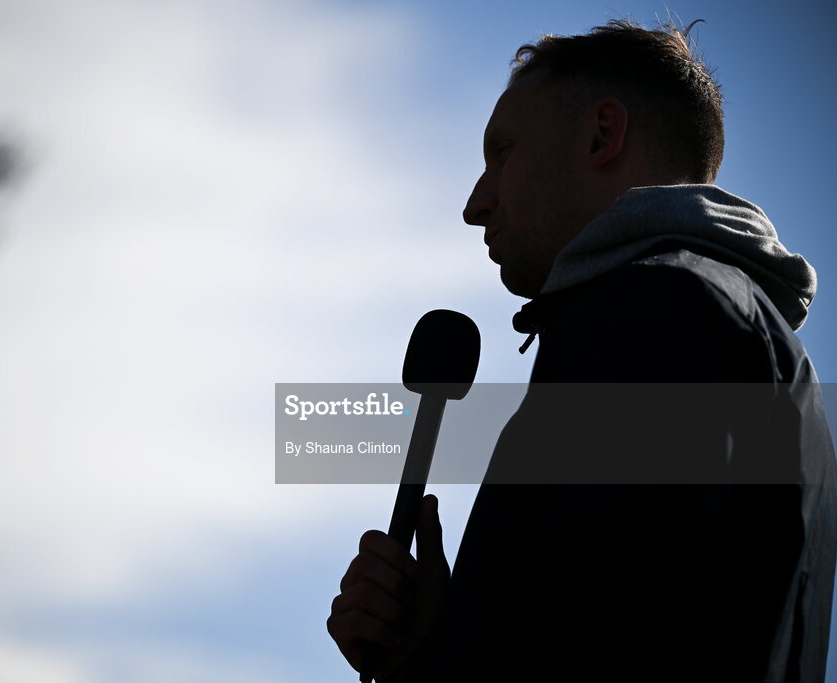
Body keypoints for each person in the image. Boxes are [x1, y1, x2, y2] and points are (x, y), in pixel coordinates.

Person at [327, 19, 837, 682]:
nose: (475, 204)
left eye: (501, 153)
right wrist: (433, 648)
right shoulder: (734, 333)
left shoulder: (649, 316)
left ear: (601, 135)